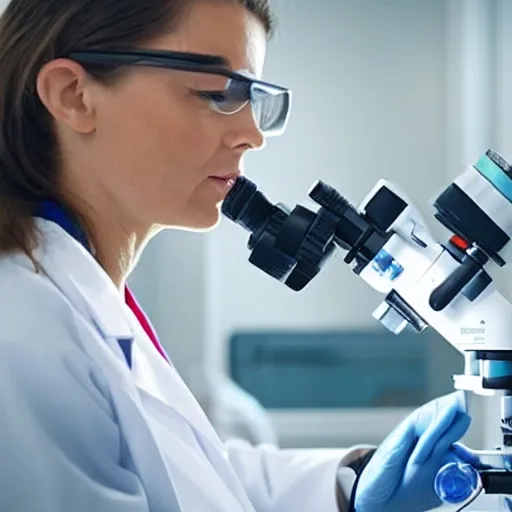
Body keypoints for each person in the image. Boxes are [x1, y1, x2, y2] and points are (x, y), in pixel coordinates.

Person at [0, 1, 484, 511]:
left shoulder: (86, 296)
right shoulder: (23, 323)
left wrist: (351, 485)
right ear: (74, 96)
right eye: (215, 94)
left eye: (254, 99)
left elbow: (189, 472)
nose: (251, 135)